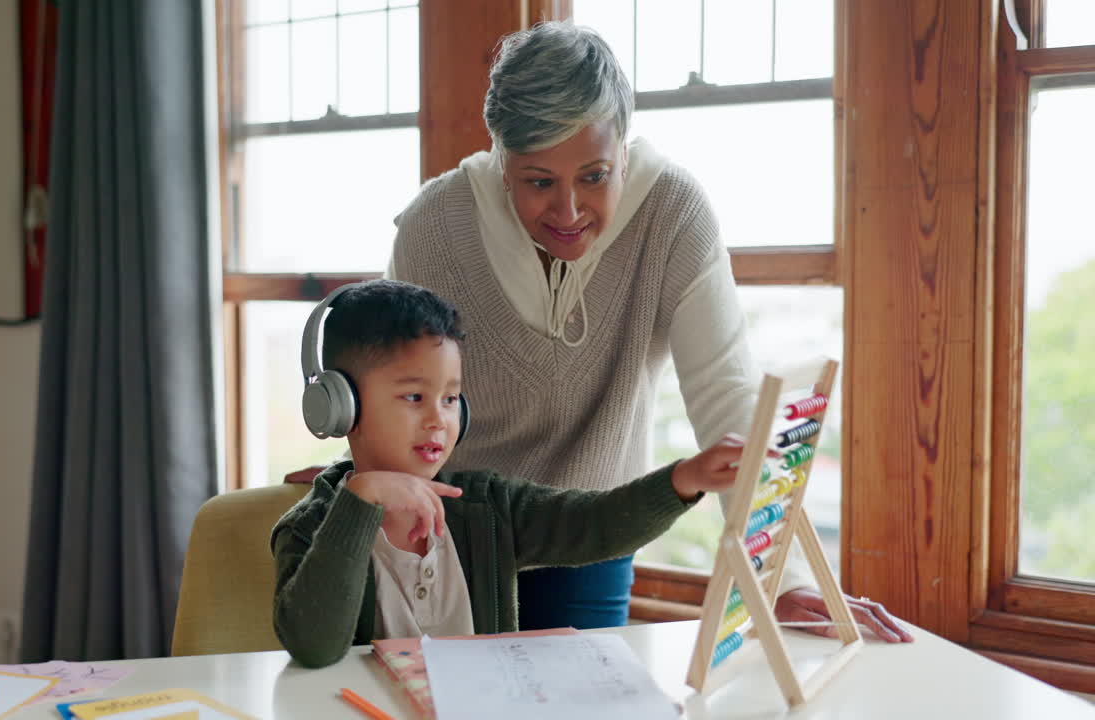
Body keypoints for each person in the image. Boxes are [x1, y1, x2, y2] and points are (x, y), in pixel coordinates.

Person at [290, 21, 911, 643]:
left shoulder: (673, 213)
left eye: (594, 176)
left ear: (625, 147)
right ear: (501, 160)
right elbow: (389, 379)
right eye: (538, 181)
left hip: (594, 530)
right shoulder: (434, 224)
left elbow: (730, 401)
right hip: (455, 523)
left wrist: (783, 576)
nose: (568, 212)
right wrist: (355, 471)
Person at [272, 279, 753, 668]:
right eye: (414, 397)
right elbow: (315, 646)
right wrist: (360, 500)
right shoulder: (307, 528)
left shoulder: (486, 506)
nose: (440, 419)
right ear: (340, 407)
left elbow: (594, 523)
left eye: (451, 397)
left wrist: (683, 479)